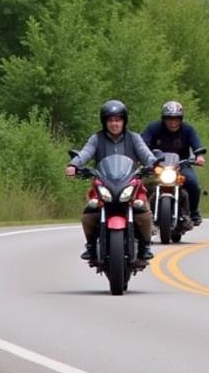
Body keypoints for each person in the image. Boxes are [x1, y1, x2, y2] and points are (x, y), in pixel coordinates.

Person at [65, 99, 157, 264]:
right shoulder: (96, 139)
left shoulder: (134, 138)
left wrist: (154, 164)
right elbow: (85, 153)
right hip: (103, 184)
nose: (114, 123)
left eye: (118, 119)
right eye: (110, 120)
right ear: (104, 121)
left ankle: (145, 246)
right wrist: (74, 164)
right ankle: (91, 245)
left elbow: (146, 154)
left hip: (130, 183)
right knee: (89, 212)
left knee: (142, 209)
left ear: (124, 121)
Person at [141, 100, 207, 225]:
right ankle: (141, 212)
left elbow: (196, 144)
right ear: (163, 119)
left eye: (176, 119)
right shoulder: (153, 128)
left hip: (181, 165)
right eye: (169, 119)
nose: (173, 122)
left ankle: (193, 212)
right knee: (141, 185)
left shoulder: (188, 130)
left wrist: (199, 156)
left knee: (193, 184)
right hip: (157, 166)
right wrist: (141, 157)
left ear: (181, 119)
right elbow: (142, 144)